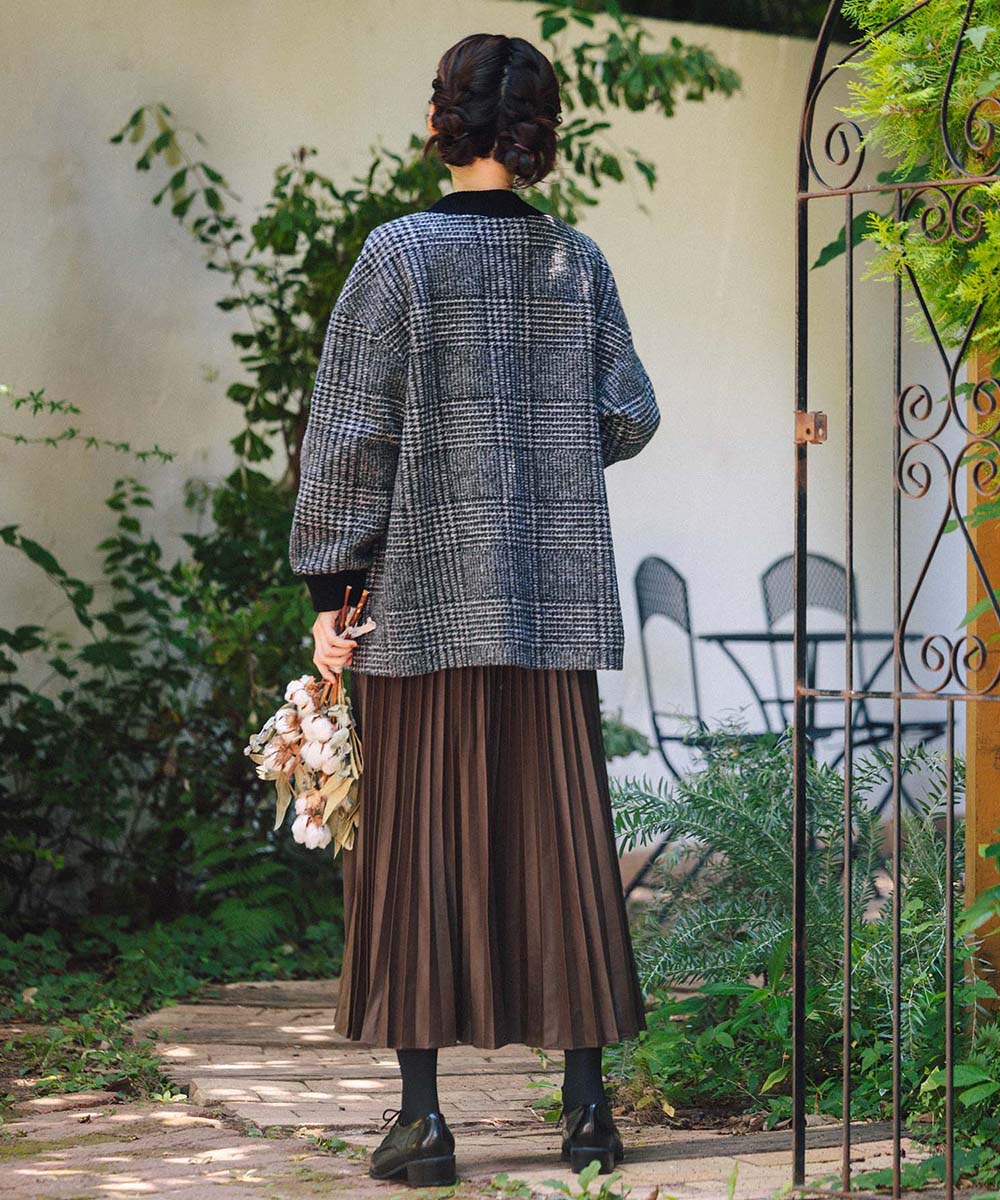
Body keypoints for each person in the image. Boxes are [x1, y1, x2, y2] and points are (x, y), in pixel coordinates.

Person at [288, 30, 661, 1189]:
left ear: (439, 121)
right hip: (548, 607)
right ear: (540, 129)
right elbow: (629, 412)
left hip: (420, 604)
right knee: (564, 846)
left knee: (416, 852)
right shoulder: (576, 262)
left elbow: (352, 435)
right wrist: (541, 456)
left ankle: (424, 1125)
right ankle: (588, 1116)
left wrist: (333, 592)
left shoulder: (398, 256)